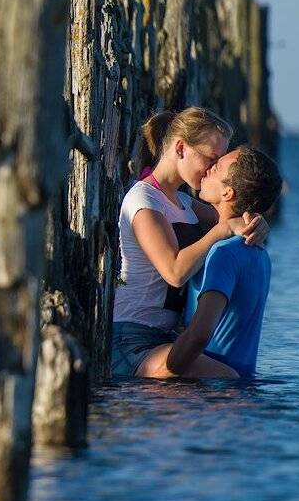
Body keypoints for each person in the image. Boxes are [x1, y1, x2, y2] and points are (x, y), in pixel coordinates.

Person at [110, 108, 267, 378]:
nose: (212, 169)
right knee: (228, 378)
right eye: (210, 158)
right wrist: (221, 230)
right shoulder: (143, 202)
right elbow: (174, 272)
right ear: (181, 148)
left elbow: (233, 213)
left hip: (166, 337)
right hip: (131, 340)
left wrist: (259, 224)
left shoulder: (184, 203)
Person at [142, 145, 284, 380]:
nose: (206, 170)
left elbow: (199, 335)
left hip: (209, 393)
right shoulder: (259, 253)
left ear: (228, 193)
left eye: (215, 168)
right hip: (239, 389)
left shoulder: (222, 254)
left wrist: (164, 372)